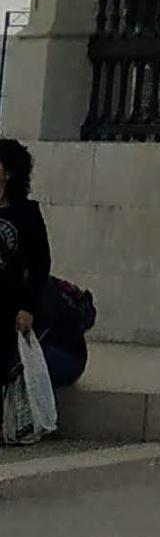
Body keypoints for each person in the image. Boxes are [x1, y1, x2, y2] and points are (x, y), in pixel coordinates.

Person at [0, 138, 52, 439]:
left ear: (9, 172)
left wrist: (28, 306)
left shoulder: (26, 214)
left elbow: (40, 263)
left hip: (9, 304)